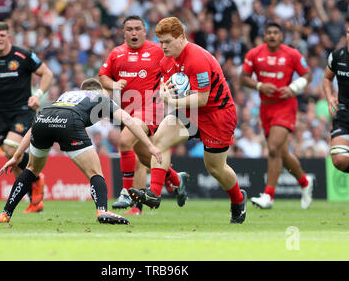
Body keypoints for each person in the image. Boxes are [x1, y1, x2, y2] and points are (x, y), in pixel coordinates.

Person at [128, 17, 247, 224]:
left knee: (215, 169)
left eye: (167, 42)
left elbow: (203, 98)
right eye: (160, 42)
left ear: (181, 37)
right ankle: (154, 193)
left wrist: (172, 99)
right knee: (159, 141)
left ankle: (238, 200)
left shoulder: (197, 58)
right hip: (189, 111)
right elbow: (168, 89)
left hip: (217, 114)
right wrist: (165, 93)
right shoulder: (166, 61)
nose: (163, 46)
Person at [0, 78, 162, 225]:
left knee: (31, 169)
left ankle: (5, 213)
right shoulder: (101, 98)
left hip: (43, 118)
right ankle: (102, 211)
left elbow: (33, 128)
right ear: (98, 90)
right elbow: (128, 120)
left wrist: (17, 156)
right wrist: (149, 145)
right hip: (69, 121)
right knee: (95, 172)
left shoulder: (67, 94)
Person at [98, 15, 189, 215]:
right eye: (129, 29)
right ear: (123, 32)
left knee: (124, 141)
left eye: (137, 28)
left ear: (144, 31)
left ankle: (126, 193)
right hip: (127, 113)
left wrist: (172, 86)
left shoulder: (157, 51)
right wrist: (112, 85)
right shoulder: (116, 53)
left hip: (151, 108)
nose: (133, 32)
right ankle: (176, 179)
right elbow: (102, 76)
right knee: (147, 157)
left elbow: (177, 67)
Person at [0, 21, 53, 213]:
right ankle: (34, 200)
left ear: (8, 36)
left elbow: (47, 74)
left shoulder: (22, 55)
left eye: (2, 35)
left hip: (23, 110)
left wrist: (38, 95)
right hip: (0, 114)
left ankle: (36, 177)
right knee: (12, 159)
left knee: (11, 150)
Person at [240, 22, 314, 209]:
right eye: (269, 33)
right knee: (281, 153)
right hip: (266, 108)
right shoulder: (254, 54)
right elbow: (243, 78)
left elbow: (307, 75)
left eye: (276, 33)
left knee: (272, 148)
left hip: (285, 106)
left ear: (281, 36)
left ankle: (268, 196)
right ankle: (305, 183)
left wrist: (292, 88)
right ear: (264, 36)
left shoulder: (292, 54)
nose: (272, 36)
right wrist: (259, 85)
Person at [323, 26, 349, 173]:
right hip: (344, 114)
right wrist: (330, 97)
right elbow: (327, 78)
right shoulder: (337, 56)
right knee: (339, 160)